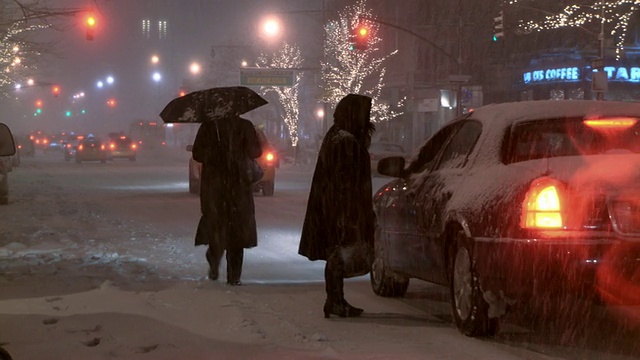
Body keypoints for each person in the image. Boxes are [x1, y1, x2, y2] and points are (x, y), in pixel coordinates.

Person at [298, 94, 376, 318]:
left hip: (333, 207)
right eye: (364, 113)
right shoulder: (345, 141)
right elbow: (345, 181)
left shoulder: (339, 136)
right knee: (338, 254)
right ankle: (335, 300)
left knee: (336, 254)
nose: (367, 118)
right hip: (341, 209)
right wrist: (349, 213)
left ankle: (335, 299)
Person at [192, 112, 262, 286]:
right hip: (238, 186)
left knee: (217, 225)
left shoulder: (209, 126)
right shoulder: (245, 126)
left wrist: (214, 154)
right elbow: (256, 152)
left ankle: (214, 257)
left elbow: (197, 154)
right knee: (237, 231)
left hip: (214, 186)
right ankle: (234, 276)